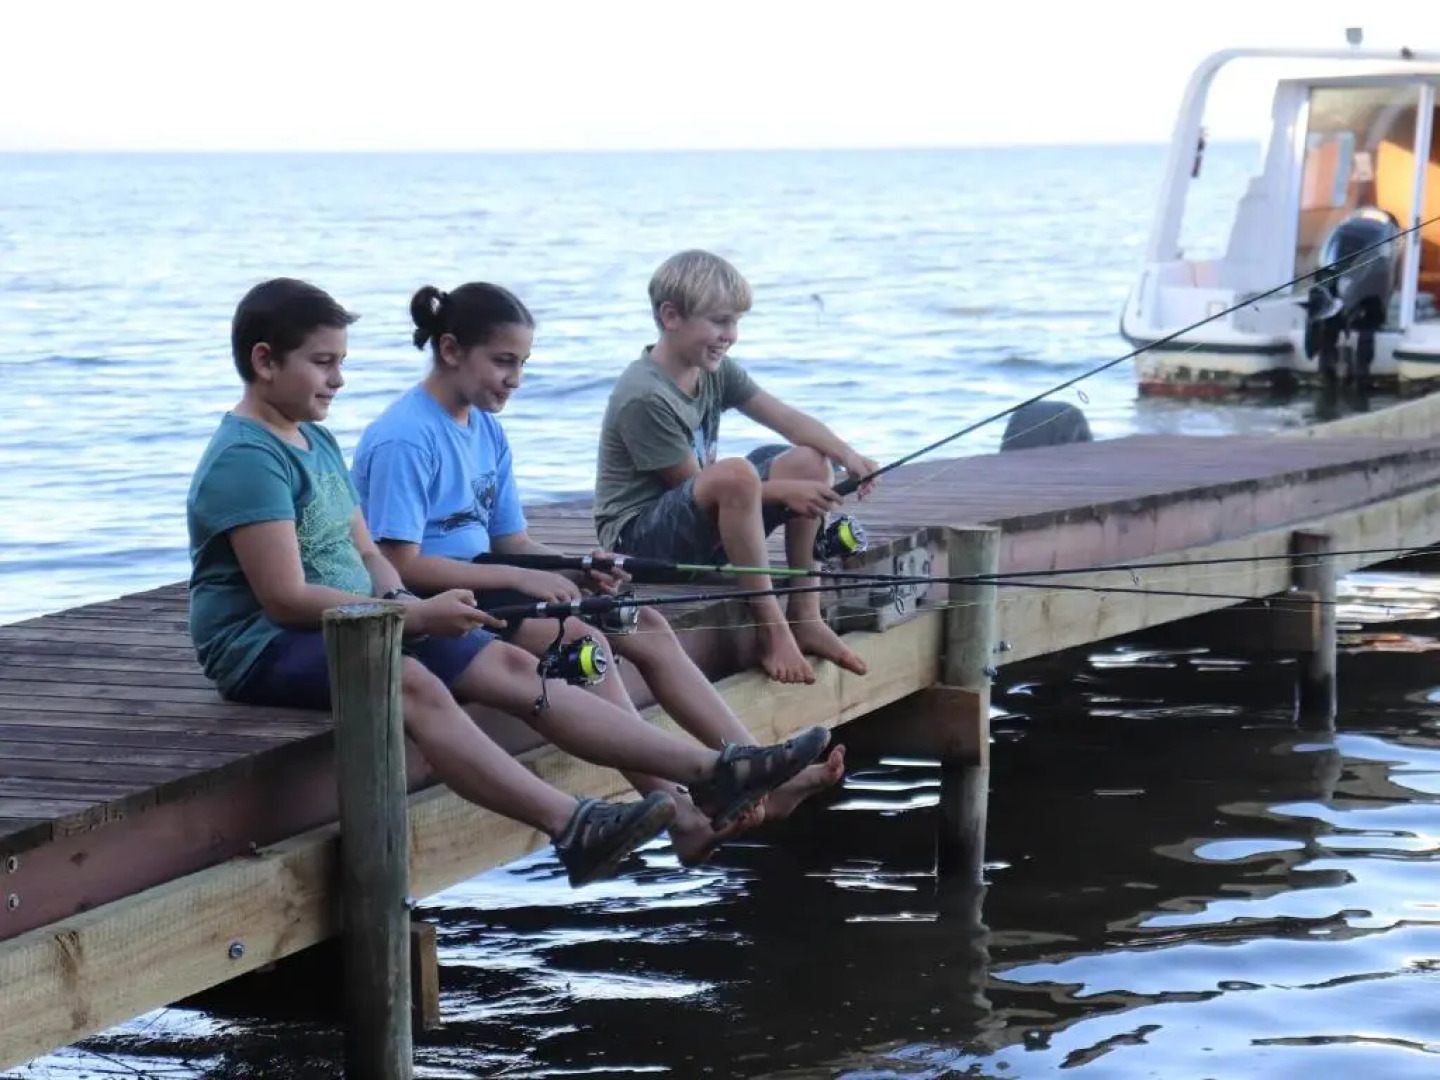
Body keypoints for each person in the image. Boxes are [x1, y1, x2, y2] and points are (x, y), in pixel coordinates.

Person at [186, 277, 831, 888]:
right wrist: (411, 617)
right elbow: (285, 598)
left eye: (340, 361)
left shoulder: (315, 442)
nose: (339, 378)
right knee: (411, 680)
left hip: (364, 617)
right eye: (323, 363)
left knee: (516, 670)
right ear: (265, 361)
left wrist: (406, 604)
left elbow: (367, 552)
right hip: (263, 643)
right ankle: (570, 822)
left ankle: (713, 773)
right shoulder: (249, 458)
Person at [349, 282, 846, 867]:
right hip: (443, 597)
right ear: (452, 350)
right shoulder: (405, 437)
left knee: (646, 624)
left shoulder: (484, 427)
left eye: (523, 365)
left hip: (491, 576)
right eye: (503, 362)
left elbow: (510, 539)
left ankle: (754, 771)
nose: (514, 378)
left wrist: (578, 567)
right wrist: (527, 580)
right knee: (585, 645)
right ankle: (682, 812)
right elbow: (398, 562)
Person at [593, 249, 880, 685]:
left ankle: (805, 611)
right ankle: (771, 627)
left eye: (736, 322)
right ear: (671, 316)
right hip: (639, 547)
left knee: (807, 459)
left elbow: (785, 417)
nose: (732, 335)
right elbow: (695, 485)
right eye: (720, 321)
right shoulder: (644, 395)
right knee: (736, 473)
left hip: (701, 526)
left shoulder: (715, 370)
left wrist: (847, 456)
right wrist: (783, 495)